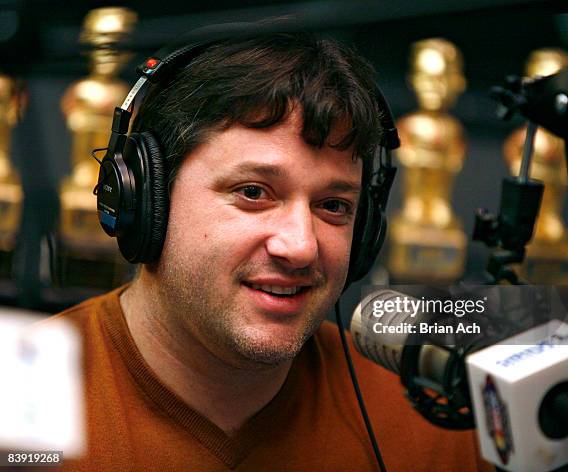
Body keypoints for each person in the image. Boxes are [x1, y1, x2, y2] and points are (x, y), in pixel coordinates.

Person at [52, 30, 491, 471]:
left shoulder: (430, 425)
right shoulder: (18, 397)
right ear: (146, 201)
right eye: (253, 192)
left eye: (334, 206)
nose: (300, 246)